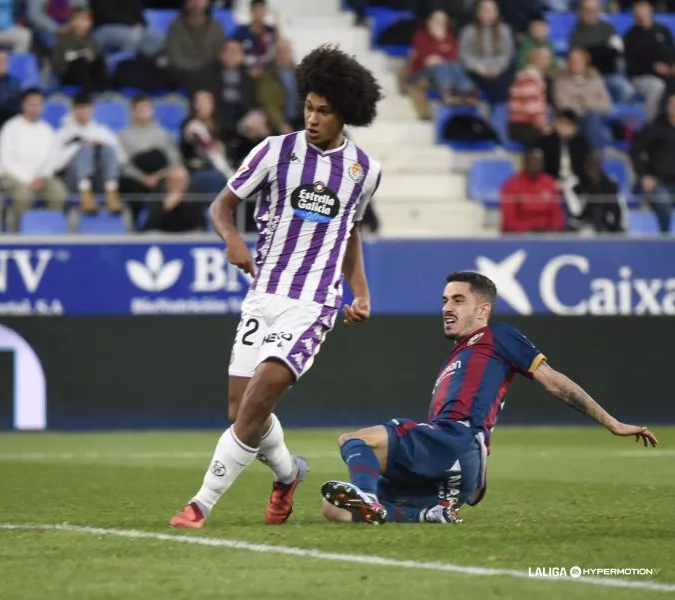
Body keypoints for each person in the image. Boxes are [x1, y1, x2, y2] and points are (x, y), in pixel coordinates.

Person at [169, 44, 385, 529]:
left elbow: (350, 232)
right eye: (308, 107)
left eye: (323, 112)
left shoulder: (364, 172)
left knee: (261, 396)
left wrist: (361, 291)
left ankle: (199, 504)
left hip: (313, 302)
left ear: (344, 114)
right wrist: (231, 240)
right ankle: (287, 475)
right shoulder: (273, 151)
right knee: (239, 409)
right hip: (264, 293)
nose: (312, 118)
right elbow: (221, 206)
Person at [320, 271, 659, 525]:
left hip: (458, 440)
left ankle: (366, 494)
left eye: (457, 300)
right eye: (444, 301)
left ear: (482, 309)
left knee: (353, 440)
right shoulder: (456, 358)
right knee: (334, 509)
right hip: (452, 465)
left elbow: (555, 382)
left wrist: (613, 423)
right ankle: (426, 515)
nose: (446, 308)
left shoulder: (497, 337)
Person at [0, 88, 68, 230]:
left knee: (59, 193)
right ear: (23, 105)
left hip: (41, 178)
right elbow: (6, 161)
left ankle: (48, 232)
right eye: (31, 104)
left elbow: (51, 160)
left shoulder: (47, 130)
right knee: (24, 196)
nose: (35, 108)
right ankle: (17, 236)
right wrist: (29, 180)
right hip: (13, 176)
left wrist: (42, 176)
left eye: (38, 104)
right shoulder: (11, 127)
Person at [118, 95, 192, 231]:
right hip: (136, 178)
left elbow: (174, 160)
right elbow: (124, 164)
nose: (143, 112)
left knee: (175, 184)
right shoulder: (123, 135)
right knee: (131, 186)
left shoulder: (162, 133)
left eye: (147, 108)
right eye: (139, 109)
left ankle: (176, 228)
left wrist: (159, 175)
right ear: (133, 112)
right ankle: (139, 228)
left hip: (161, 176)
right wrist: (143, 178)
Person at [53, 91, 126, 214]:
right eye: (79, 108)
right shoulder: (63, 133)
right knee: (85, 148)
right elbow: (55, 164)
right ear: (73, 109)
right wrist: (78, 146)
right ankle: (85, 193)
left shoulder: (103, 131)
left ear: (92, 110)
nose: (83, 112)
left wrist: (100, 146)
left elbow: (122, 158)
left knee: (107, 148)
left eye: (86, 108)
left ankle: (111, 191)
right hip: (73, 182)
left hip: (99, 181)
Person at [629, 93, 675, 233]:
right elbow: (635, 151)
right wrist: (644, 175)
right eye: (672, 104)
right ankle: (665, 240)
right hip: (658, 181)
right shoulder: (654, 128)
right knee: (663, 205)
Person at [624, 0, 675, 120]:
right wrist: (653, 67)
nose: (641, 13)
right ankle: (652, 123)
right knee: (657, 86)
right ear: (633, 14)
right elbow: (631, 65)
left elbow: (672, 52)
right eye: (637, 10)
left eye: (643, 9)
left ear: (650, 10)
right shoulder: (630, 37)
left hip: (669, 73)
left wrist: (672, 66)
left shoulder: (663, 30)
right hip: (642, 76)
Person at [553, 47, 612, 149]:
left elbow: (606, 104)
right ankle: (598, 154)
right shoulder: (561, 82)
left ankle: (597, 154)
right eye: (572, 61)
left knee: (593, 119)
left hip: (596, 118)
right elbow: (563, 105)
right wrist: (590, 103)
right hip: (574, 120)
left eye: (579, 61)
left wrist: (583, 101)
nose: (576, 64)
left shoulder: (596, 80)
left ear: (586, 62)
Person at [458, 0, 515, 104]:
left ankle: (498, 116)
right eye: (484, 10)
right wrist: (480, 68)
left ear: (496, 13)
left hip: (498, 71)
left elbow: (507, 54)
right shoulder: (468, 31)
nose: (487, 13)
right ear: (478, 12)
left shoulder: (504, 30)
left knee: (502, 84)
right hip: (476, 71)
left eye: (490, 10)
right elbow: (464, 55)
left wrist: (495, 69)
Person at [499, 148, 566, 233]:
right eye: (532, 161)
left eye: (538, 161)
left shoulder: (549, 182)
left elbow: (557, 217)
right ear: (525, 163)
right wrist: (532, 228)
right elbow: (509, 222)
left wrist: (552, 231)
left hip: (548, 235)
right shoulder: (511, 185)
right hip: (521, 236)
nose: (535, 164)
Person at [50, 7, 107, 91]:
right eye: (77, 19)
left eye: (84, 20)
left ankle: (102, 90)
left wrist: (92, 57)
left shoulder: (92, 41)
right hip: (69, 75)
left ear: (90, 23)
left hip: (89, 73)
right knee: (81, 62)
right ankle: (86, 92)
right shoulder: (64, 41)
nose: (81, 23)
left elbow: (96, 55)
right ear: (71, 22)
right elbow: (58, 64)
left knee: (99, 60)